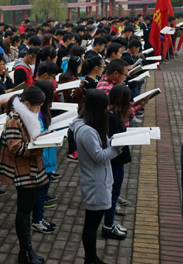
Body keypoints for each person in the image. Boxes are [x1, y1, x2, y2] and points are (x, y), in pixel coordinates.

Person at [0, 86, 47, 264]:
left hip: (31, 167)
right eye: (38, 106)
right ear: (26, 104)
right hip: (23, 169)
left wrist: (45, 137)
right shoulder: (14, 119)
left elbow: (29, 139)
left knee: (27, 210)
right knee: (24, 211)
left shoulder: (25, 115)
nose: (39, 110)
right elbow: (16, 147)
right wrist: (38, 147)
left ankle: (27, 251)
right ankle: (25, 252)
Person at [70, 89, 122, 264]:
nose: (107, 110)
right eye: (105, 107)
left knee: (91, 223)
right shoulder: (87, 131)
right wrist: (117, 148)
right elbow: (98, 156)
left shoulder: (87, 123)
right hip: (95, 182)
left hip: (96, 179)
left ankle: (91, 258)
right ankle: (90, 259)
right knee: (91, 225)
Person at [102, 85, 131, 241]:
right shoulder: (112, 117)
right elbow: (115, 141)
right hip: (115, 161)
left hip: (115, 160)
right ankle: (108, 225)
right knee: (113, 195)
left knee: (114, 193)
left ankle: (111, 221)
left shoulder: (112, 114)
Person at [30, 80, 58, 235]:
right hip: (43, 158)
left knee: (43, 190)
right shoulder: (37, 114)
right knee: (40, 192)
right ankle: (37, 220)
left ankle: (39, 217)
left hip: (48, 155)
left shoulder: (43, 111)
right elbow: (36, 137)